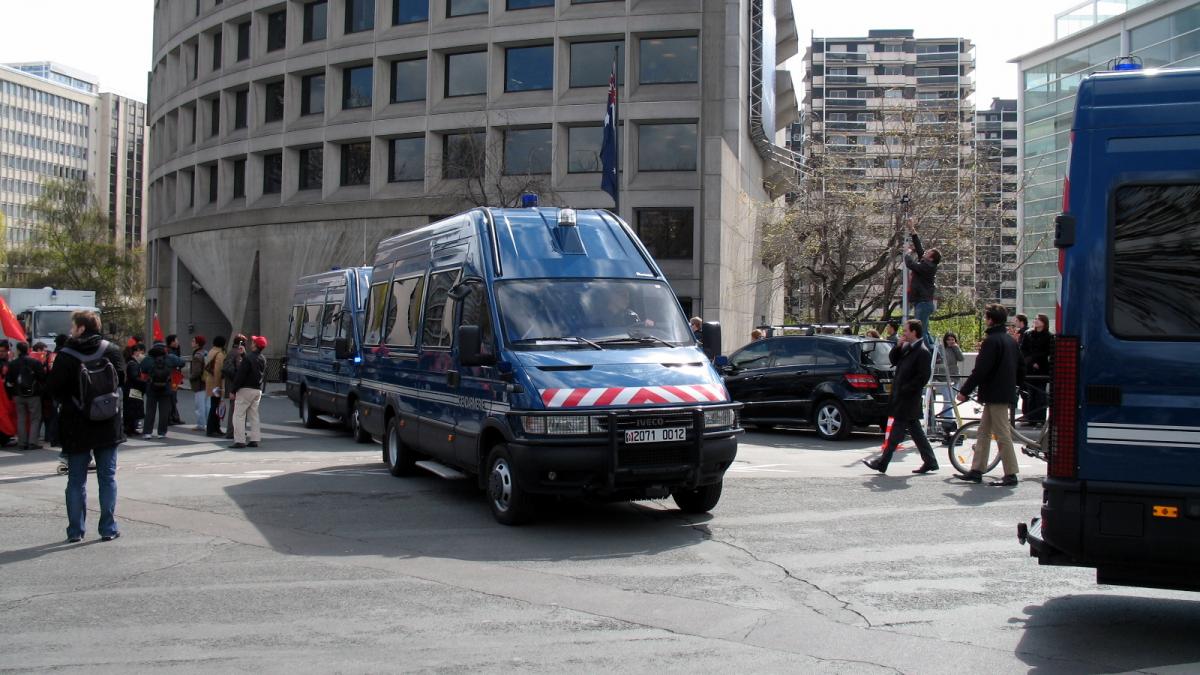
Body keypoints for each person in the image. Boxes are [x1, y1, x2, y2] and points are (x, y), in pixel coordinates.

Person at [48, 310, 125, 543]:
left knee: (76, 480)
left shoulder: (66, 355)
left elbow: (54, 388)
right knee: (107, 477)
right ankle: (108, 528)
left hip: (76, 424)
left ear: (81, 328)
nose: (71, 330)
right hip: (107, 422)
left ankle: (75, 531)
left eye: (73, 326)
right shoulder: (111, 350)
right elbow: (122, 379)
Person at [954, 304, 1025, 487]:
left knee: (1002, 434)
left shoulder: (991, 341)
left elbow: (981, 370)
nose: (985, 320)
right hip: (1003, 392)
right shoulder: (1010, 341)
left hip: (995, 393)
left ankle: (1011, 473)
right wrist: (1016, 386)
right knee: (983, 432)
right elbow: (1021, 367)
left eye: (986, 318)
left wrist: (964, 391)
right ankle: (977, 470)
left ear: (991, 320)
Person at [861, 320, 940, 475]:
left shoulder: (922, 351)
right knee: (916, 431)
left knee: (896, 432)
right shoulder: (907, 348)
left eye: (906, 331)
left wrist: (906, 389)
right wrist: (897, 346)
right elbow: (893, 360)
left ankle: (882, 463)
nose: (903, 334)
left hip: (908, 398)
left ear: (914, 332)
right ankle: (930, 461)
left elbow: (923, 376)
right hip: (902, 396)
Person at [903, 217, 941, 347]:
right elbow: (919, 249)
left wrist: (907, 254)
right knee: (924, 330)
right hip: (923, 302)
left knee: (920, 331)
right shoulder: (927, 264)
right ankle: (936, 352)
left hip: (923, 303)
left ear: (931, 258)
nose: (925, 252)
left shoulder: (927, 267)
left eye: (928, 252)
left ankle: (929, 354)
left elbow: (910, 264)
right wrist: (912, 230)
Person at [140, 341, 185, 439]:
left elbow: (142, 369)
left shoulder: (148, 359)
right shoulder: (170, 358)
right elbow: (182, 362)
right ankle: (162, 432)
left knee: (150, 411)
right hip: (166, 388)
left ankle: (147, 432)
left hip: (151, 388)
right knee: (164, 412)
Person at [6, 341, 45, 450]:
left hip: (18, 394)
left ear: (17, 350)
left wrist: (11, 394)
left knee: (21, 418)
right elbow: (42, 377)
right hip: (33, 394)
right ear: (28, 349)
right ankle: (32, 442)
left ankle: (22, 442)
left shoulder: (13, 363)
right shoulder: (35, 362)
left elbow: (9, 380)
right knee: (35, 418)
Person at [230, 335, 267, 448]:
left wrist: (233, 390)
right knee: (253, 415)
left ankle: (240, 440)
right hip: (257, 390)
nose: (251, 343)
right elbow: (254, 365)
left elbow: (241, 375)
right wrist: (244, 354)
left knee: (239, 415)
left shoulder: (248, 358)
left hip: (245, 389)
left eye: (253, 342)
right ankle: (254, 439)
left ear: (255, 345)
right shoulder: (263, 358)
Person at [1021, 314, 1053, 426]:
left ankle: (1041, 419)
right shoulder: (1028, 334)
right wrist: (1031, 362)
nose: (1036, 321)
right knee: (1030, 395)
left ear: (1044, 322)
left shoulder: (1049, 336)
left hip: (1042, 368)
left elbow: (1048, 352)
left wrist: (1037, 361)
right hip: (1030, 368)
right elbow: (1023, 350)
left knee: (1041, 395)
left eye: (1038, 319)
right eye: (1035, 319)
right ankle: (1031, 419)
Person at [935, 331, 965, 433]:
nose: (950, 341)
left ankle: (944, 416)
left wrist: (956, 347)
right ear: (945, 340)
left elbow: (961, 358)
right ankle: (949, 421)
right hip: (943, 378)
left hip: (954, 376)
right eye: (948, 339)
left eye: (952, 339)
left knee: (951, 400)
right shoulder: (941, 348)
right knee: (948, 399)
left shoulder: (955, 349)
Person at [222, 334, 247, 439]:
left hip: (232, 384)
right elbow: (232, 369)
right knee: (236, 410)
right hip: (236, 385)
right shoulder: (237, 353)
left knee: (235, 409)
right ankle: (232, 431)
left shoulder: (232, 352)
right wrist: (238, 377)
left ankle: (234, 431)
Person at [204, 335, 227, 437]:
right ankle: (212, 429)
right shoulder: (220, 354)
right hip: (216, 384)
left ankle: (215, 428)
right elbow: (218, 372)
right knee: (215, 407)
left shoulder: (211, 351)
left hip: (210, 381)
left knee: (215, 405)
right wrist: (220, 386)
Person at [123, 343, 147, 436]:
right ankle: (129, 429)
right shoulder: (133, 364)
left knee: (133, 409)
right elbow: (134, 377)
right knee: (132, 409)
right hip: (132, 389)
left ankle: (132, 428)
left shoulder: (132, 362)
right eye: (139, 351)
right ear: (135, 352)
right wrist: (144, 382)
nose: (141, 353)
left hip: (132, 388)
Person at [188, 335, 209, 431]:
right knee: (207, 404)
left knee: (199, 405)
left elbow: (196, 371)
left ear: (197, 344)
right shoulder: (205, 353)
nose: (191, 342)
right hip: (207, 381)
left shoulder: (197, 356)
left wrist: (190, 377)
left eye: (193, 341)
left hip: (199, 383)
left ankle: (201, 424)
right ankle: (208, 423)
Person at [166, 334, 185, 426]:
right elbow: (180, 362)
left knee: (173, 398)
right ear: (172, 342)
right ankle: (170, 418)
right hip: (172, 378)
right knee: (171, 398)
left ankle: (174, 417)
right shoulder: (170, 353)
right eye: (176, 340)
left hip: (174, 377)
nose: (178, 342)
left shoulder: (173, 351)